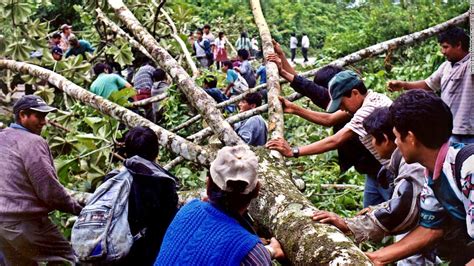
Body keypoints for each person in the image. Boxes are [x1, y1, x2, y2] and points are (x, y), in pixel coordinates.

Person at [312, 107, 435, 265]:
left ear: (385, 138)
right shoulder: (404, 160)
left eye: (371, 139)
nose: (371, 144)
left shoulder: (411, 165)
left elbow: (402, 210)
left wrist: (350, 225)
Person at [366, 90, 474, 265]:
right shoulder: (434, 173)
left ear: (410, 138)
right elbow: (430, 229)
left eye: (396, 136)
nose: (395, 143)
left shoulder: (469, 168)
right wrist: (377, 257)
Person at [266, 70, 393, 207]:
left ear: (355, 93)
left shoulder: (368, 111)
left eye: (342, 103)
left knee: (396, 215)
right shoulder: (371, 98)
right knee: (371, 213)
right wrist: (295, 109)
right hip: (377, 172)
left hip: (392, 171)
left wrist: (294, 151)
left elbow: (336, 140)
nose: (342, 109)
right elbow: (330, 119)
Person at [155, 145, 285, 265]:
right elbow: (242, 253)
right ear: (256, 191)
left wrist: (267, 251)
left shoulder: (188, 209)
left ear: (208, 184)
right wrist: (269, 252)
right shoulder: (251, 252)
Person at [0, 95, 83, 265]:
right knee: (72, 259)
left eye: (44, 117)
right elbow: (49, 189)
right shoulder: (33, 142)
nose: (44, 122)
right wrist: (79, 209)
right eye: (39, 116)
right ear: (22, 115)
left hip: (2, 226)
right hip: (26, 223)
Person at [104, 126, 178, 265]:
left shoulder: (112, 178)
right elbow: (169, 228)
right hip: (144, 255)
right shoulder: (163, 183)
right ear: (156, 152)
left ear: (126, 153)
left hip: (110, 250)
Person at [387, 27, 473, 144]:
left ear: (458, 45)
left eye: (445, 47)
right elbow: (428, 84)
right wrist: (404, 85)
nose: (442, 51)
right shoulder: (445, 66)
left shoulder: (470, 64)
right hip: (450, 129)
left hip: (470, 130)